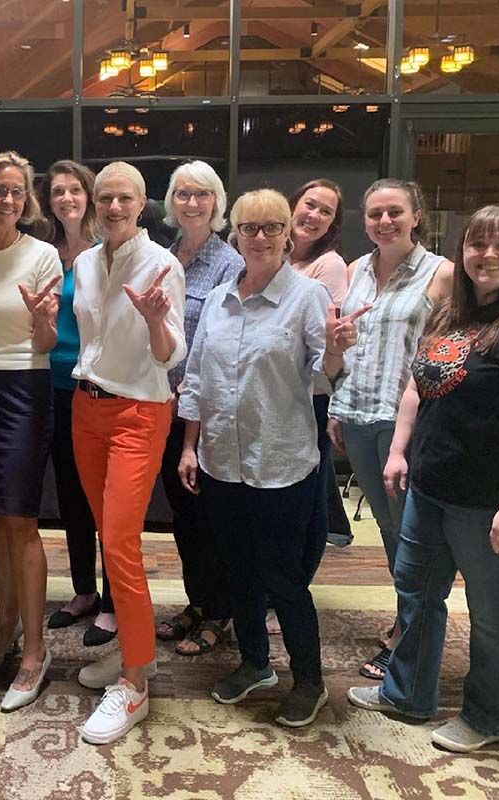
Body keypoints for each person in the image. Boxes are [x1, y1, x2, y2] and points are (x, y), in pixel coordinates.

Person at [348, 204, 499, 753]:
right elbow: (416, 386)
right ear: (463, 250)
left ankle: (490, 718)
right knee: (416, 593)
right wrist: (399, 450)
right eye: (478, 244)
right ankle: (407, 694)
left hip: (495, 501)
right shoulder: (451, 313)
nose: (489, 256)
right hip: (432, 489)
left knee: (492, 612)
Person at [178, 188, 367, 727]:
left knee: (283, 577)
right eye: (248, 228)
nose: (259, 237)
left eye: (271, 227)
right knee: (238, 569)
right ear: (235, 234)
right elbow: (197, 378)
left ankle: (308, 680)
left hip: (280, 463)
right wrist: (189, 446)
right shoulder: (219, 298)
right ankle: (255, 663)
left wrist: (336, 351)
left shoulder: (306, 297)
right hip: (221, 461)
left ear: (287, 234)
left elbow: (322, 376)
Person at [70, 161, 186, 745]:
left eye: (124, 198)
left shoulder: (163, 264)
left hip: (139, 412)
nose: (113, 208)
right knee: (107, 536)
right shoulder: (84, 263)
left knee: (120, 543)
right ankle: (138, 652)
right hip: (85, 408)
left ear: (143, 205)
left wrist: (157, 322)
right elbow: (90, 340)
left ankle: (136, 683)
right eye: (104, 198)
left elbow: (169, 355)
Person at [327, 178, 453, 681]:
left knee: (411, 531)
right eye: (375, 213)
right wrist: (336, 405)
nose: (385, 221)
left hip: (409, 423)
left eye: (395, 212)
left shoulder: (441, 273)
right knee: (386, 526)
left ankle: (411, 633)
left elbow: (448, 355)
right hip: (358, 414)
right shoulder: (355, 269)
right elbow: (348, 348)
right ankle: (408, 618)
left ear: (416, 216)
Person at [0, 150, 62, 713]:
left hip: (24, 388)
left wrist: (44, 321)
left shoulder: (42, 255)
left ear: (28, 199)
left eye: (18, 191)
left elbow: (45, 342)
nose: (8, 199)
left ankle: (35, 651)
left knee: (21, 518)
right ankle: (5, 626)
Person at [153, 160, 242, 657]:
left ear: (216, 202)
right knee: (184, 517)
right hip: (160, 410)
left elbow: (224, 343)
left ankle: (220, 611)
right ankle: (198, 601)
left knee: (211, 516)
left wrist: (190, 391)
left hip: (204, 412)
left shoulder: (230, 263)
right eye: (183, 194)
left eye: (202, 194)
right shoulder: (163, 258)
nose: (191, 203)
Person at [35, 160, 116, 646]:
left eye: (75, 190)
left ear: (89, 195)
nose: (66, 198)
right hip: (54, 384)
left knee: (106, 498)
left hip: (98, 385)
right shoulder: (45, 252)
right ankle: (84, 590)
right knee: (70, 494)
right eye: (57, 191)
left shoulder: (108, 250)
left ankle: (113, 601)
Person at [288, 179, 354, 551]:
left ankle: (300, 572)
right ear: (293, 204)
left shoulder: (328, 265)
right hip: (276, 391)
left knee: (307, 490)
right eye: (309, 204)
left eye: (325, 212)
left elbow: (323, 339)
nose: (314, 216)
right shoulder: (274, 253)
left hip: (310, 395)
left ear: (332, 224)